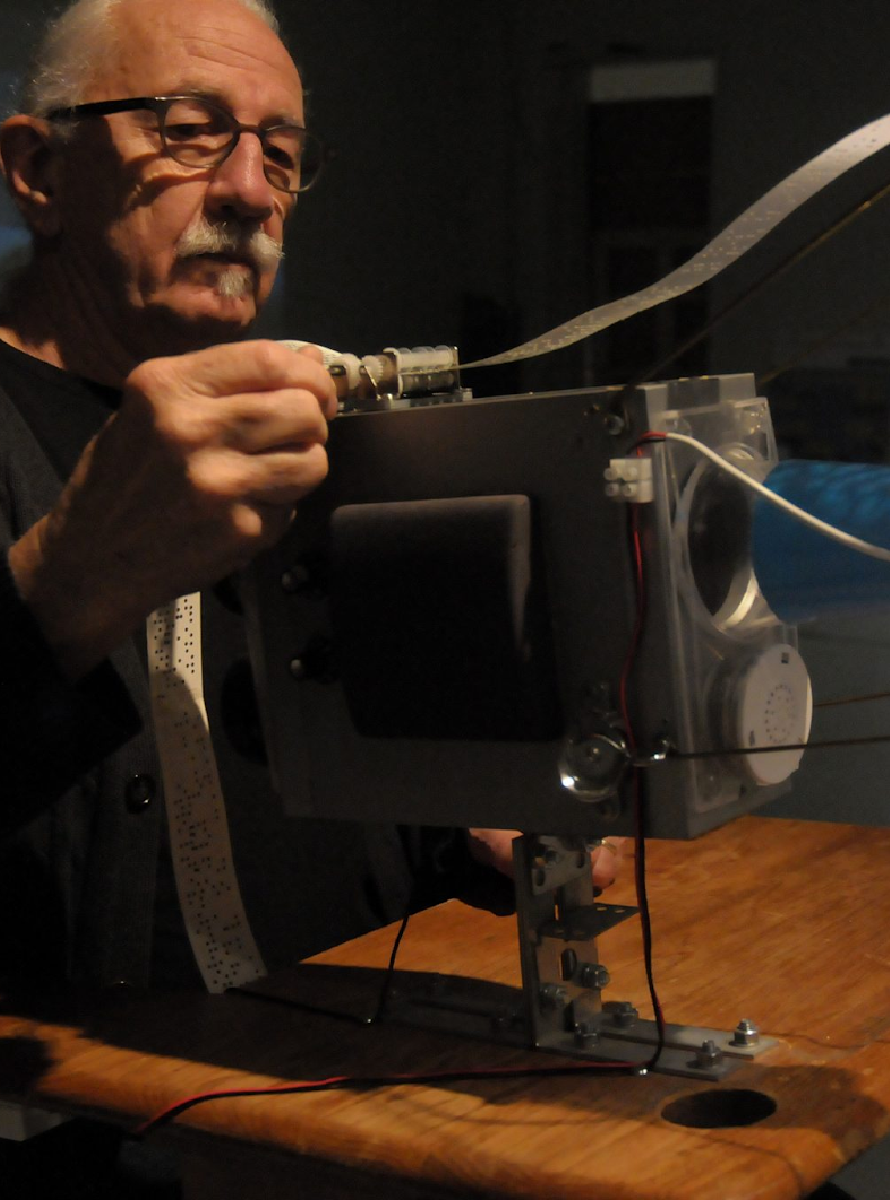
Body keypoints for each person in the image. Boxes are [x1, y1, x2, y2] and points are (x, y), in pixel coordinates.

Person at [0, 0, 621, 994]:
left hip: (330, 1083)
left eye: (281, 155)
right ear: (38, 172)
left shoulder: (319, 439)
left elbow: (328, 806)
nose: (250, 190)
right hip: (101, 1125)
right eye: (188, 131)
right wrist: (60, 586)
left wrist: (475, 823)